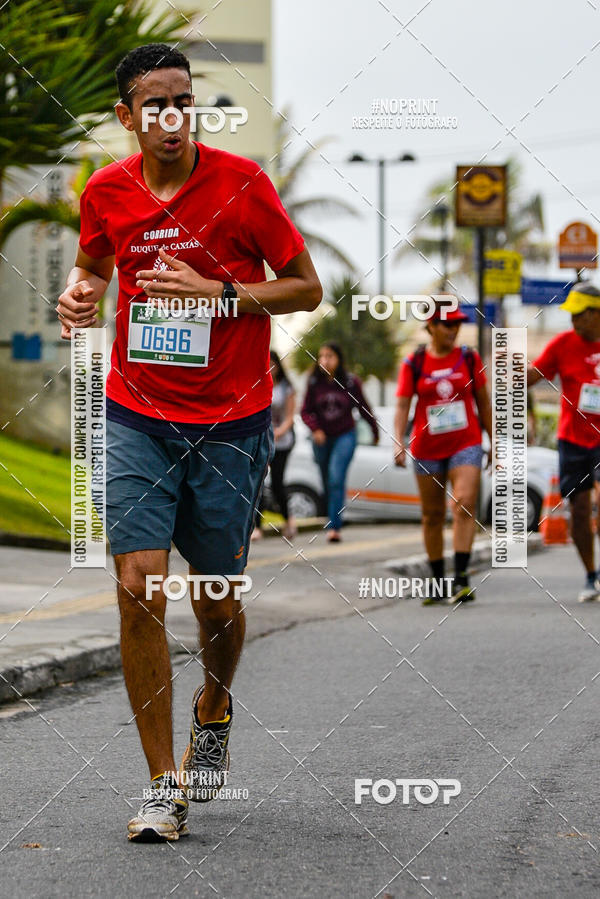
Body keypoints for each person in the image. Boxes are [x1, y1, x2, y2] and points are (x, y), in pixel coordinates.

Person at [56, 44, 321, 842]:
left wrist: (221, 293)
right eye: (156, 104)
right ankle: (161, 786)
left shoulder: (243, 185)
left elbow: (307, 286)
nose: (173, 117)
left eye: (185, 101)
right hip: (137, 414)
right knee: (137, 583)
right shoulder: (105, 191)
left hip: (231, 423)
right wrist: (80, 297)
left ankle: (214, 700)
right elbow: (93, 267)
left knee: (216, 596)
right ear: (127, 116)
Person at [394, 303, 492, 605]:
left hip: (466, 441)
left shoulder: (468, 358)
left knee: (463, 502)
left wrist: (495, 439)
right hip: (427, 447)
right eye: (447, 324)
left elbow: (484, 403)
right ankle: (437, 582)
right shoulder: (415, 362)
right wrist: (398, 441)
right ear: (432, 326)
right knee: (432, 515)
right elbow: (401, 406)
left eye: (457, 324)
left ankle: (461, 578)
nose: (454, 330)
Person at [528, 282, 600, 602]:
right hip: (572, 440)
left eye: (579, 314)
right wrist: (509, 370)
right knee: (580, 510)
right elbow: (533, 374)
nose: (572, 320)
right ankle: (590, 575)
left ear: (596, 314)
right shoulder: (562, 345)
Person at [301, 342, 378, 542]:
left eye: (330, 356)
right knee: (327, 481)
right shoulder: (313, 383)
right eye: (322, 356)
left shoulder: (350, 382)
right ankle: (331, 518)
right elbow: (305, 411)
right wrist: (315, 429)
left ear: (338, 359)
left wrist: (375, 430)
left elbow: (364, 408)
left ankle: (335, 527)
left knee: (336, 477)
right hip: (321, 439)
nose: (325, 360)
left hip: (345, 435)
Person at [252, 350, 297, 540]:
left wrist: (279, 432)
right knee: (259, 482)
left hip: (282, 441)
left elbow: (290, 417)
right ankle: (257, 527)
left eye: (273, 364)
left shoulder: (287, 388)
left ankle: (288, 520)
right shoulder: (257, 384)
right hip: (263, 439)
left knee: (277, 483)